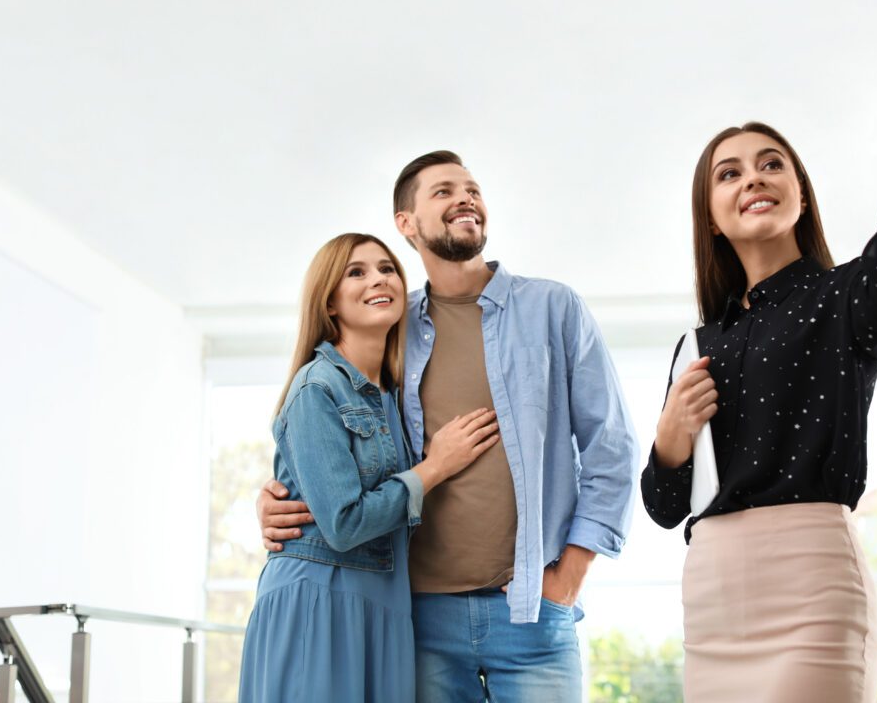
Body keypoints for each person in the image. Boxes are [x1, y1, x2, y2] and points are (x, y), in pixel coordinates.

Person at [641, 44, 877, 702]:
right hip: (712, 600)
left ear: (799, 192)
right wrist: (671, 437)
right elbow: (664, 505)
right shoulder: (697, 343)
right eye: (729, 174)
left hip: (811, 588)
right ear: (711, 214)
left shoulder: (844, 298)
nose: (753, 179)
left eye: (771, 165)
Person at [257, 154, 639, 702]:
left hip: (532, 610)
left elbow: (612, 450)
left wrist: (569, 576)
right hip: (417, 618)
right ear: (406, 223)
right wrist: (279, 493)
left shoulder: (553, 307)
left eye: (472, 188)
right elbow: (337, 434)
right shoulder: (391, 323)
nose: (465, 198)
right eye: (443, 191)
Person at [239, 233, 500, 703]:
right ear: (330, 302)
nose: (377, 279)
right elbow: (343, 522)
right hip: (320, 606)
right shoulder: (317, 388)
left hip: (384, 605)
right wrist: (434, 467)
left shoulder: (395, 396)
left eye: (386, 268)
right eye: (355, 272)